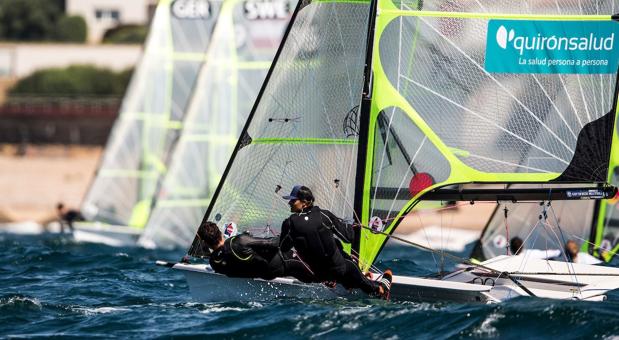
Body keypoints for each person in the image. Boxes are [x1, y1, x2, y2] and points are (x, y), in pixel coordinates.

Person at [279, 185, 392, 298]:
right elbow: (349, 238)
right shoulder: (325, 216)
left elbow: (283, 247)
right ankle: (379, 289)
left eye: (293, 200)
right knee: (347, 261)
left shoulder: (289, 224)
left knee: (331, 251)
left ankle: (347, 282)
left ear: (304, 202)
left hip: (319, 275)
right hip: (341, 269)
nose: (289, 203)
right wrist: (348, 224)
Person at [198, 221, 315, 282]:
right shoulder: (239, 240)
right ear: (219, 232)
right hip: (283, 260)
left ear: (204, 242)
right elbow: (272, 243)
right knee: (312, 270)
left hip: (268, 274)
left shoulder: (214, 263)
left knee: (302, 276)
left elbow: (237, 274)